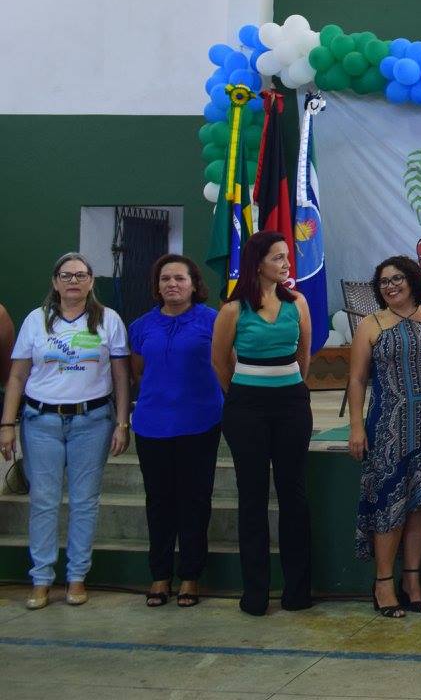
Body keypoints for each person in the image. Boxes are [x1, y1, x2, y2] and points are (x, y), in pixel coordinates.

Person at [0, 253, 130, 610]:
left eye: (81, 275)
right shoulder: (35, 320)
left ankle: (76, 577)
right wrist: (7, 424)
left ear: (91, 281)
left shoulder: (109, 320)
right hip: (41, 422)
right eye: (66, 275)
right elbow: (17, 376)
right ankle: (41, 579)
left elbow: (120, 375)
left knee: (85, 502)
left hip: (93, 421)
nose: (74, 281)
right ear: (55, 282)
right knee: (43, 501)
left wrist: (122, 422)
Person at [347, 256, 421, 618]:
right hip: (388, 426)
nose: (391, 286)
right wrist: (356, 426)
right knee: (389, 503)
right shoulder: (370, 324)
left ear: (413, 280)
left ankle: (412, 581)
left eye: (397, 278)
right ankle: (383, 583)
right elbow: (357, 379)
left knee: (420, 503)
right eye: (384, 281)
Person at [211, 230, 314, 616]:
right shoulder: (232, 310)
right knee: (252, 497)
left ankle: (297, 591)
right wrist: (244, 394)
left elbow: (304, 354)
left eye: (287, 256)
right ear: (257, 264)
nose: (286, 264)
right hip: (246, 409)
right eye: (278, 258)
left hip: (291, 405)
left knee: (294, 495)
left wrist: (290, 389)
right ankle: (255, 593)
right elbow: (220, 361)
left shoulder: (298, 302)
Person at [127, 255, 222, 608]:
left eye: (180, 278)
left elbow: (225, 364)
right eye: (165, 278)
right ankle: (160, 575)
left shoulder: (213, 320)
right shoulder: (140, 326)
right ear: (157, 286)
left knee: (195, 500)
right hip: (152, 425)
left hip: (200, 423)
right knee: (159, 501)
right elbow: (138, 371)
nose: (172, 284)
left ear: (194, 284)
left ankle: (191, 575)